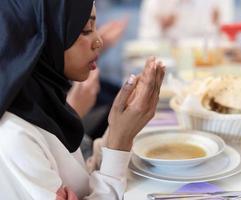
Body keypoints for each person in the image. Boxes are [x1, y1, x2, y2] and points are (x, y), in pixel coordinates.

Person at [0, 1, 165, 200]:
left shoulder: (45, 103)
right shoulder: (16, 136)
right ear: (42, 38)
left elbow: (84, 182)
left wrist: (120, 127)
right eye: (85, 30)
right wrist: (120, 140)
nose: (99, 42)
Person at [139, 0, 234, 39]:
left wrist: (218, 25)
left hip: (207, 59)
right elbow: (145, 37)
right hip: (166, 61)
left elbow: (228, 36)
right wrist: (162, 27)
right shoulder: (154, 2)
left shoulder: (220, 2)